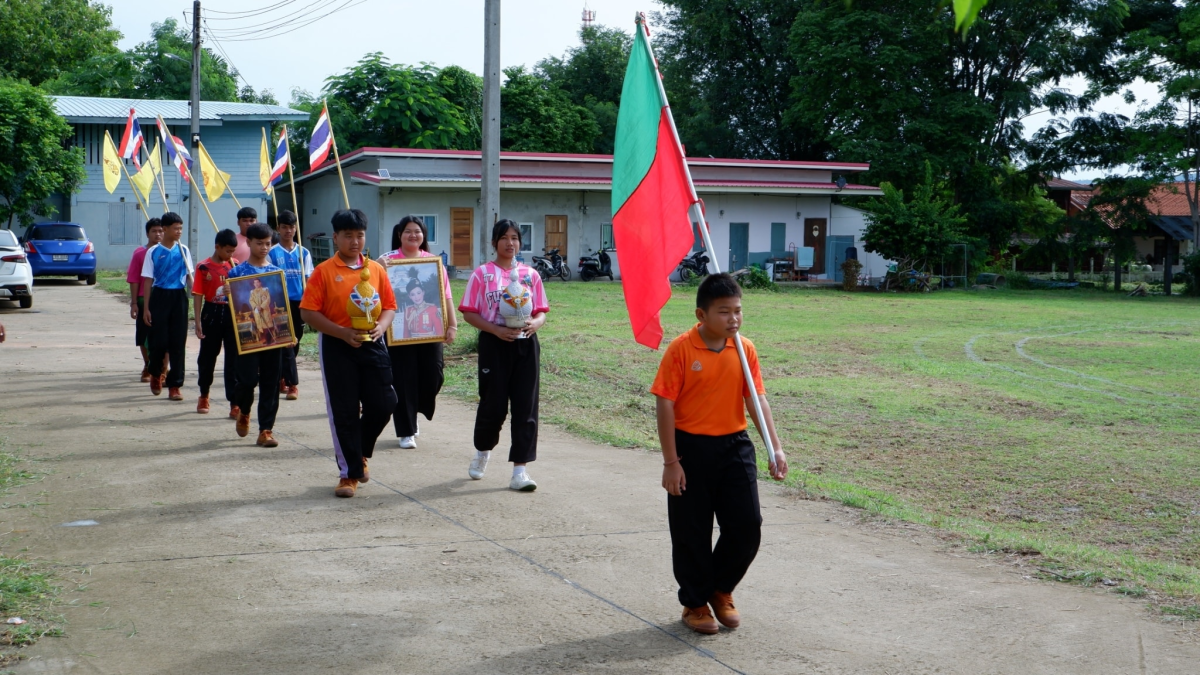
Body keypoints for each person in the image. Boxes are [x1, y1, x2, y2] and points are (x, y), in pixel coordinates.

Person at [651, 273, 788, 635]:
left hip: (735, 446)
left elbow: (756, 399)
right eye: (724, 312)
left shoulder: (744, 349)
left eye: (738, 311)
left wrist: (775, 446)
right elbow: (664, 402)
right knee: (691, 531)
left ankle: (720, 588)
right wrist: (671, 462)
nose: (734, 319)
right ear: (702, 314)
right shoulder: (681, 349)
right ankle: (695, 602)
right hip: (690, 448)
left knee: (747, 525)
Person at [300, 209, 397, 498]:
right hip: (337, 344)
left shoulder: (376, 270)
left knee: (384, 403)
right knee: (344, 411)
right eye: (348, 236)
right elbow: (307, 313)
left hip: (372, 343)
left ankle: (360, 452)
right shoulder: (324, 272)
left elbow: (390, 306)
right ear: (336, 238)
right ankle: (349, 474)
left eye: (360, 235)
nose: (355, 242)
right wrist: (342, 333)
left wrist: (381, 326)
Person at [458, 219, 548, 492]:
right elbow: (469, 312)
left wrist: (537, 323)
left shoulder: (530, 275)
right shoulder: (482, 274)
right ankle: (483, 451)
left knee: (526, 406)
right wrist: (495, 330)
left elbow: (541, 309)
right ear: (494, 242)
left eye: (515, 238)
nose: (510, 243)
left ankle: (520, 470)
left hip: (525, 346)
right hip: (494, 345)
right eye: (504, 237)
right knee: (493, 404)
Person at [377, 216, 457, 449]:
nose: (413, 235)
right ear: (399, 234)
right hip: (397, 332)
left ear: (423, 235)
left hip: (431, 332)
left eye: (418, 231)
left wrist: (452, 325)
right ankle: (406, 430)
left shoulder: (434, 263)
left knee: (434, 375)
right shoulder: (386, 261)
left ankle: (415, 410)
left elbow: (446, 297)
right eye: (408, 231)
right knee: (402, 379)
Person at [227, 223, 289, 447]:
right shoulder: (236, 273)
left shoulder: (276, 273)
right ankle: (244, 410)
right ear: (249, 243)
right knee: (246, 380)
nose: (264, 247)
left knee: (271, 382)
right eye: (259, 243)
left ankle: (266, 429)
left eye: (268, 244)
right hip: (248, 335)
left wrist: (288, 333)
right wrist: (226, 293)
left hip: (272, 333)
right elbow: (235, 304)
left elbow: (281, 302)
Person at [141, 212, 194, 401]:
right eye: (175, 228)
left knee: (178, 343)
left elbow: (189, 277)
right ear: (165, 229)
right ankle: (155, 373)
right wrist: (146, 308)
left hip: (178, 296)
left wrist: (194, 294)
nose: (179, 231)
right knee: (158, 341)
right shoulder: (153, 251)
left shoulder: (184, 250)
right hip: (159, 295)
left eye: (181, 228)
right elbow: (147, 280)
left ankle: (175, 385)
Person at [192, 229, 239, 416]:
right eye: (227, 251)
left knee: (233, 359)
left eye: (233, 251)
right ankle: (204, 393)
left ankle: (234, 402)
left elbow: (243, 292)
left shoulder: (235, 267)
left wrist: (233, 290)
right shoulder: (203, 267)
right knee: (207, 357)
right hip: (211, 312)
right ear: (217, 247)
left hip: (231, 314)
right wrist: (197, 320)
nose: (231, 255)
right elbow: (197, 295)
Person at [268, 210, 312, 401]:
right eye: (284, 227)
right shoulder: (271, 252)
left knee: (295, 341)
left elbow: (309, 279)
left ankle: (285, 376)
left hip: (298, 302)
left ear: (296, 228)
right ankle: (290, 382)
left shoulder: (304, 252)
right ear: (278, 228)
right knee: (283, 341)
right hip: (279, 303)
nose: (288, 230)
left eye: (291, 227)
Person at [127, 218, 164, 382]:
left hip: (165, 297)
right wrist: (134, 303)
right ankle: (148, 365)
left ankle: (163, 368)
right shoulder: (140, 253)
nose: (158, 234)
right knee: (144, 334)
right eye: (154, 231)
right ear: (147, 233)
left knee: (166, 335)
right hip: (143, 298)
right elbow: (134, 279)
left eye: (161, 231)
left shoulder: (174, 252)